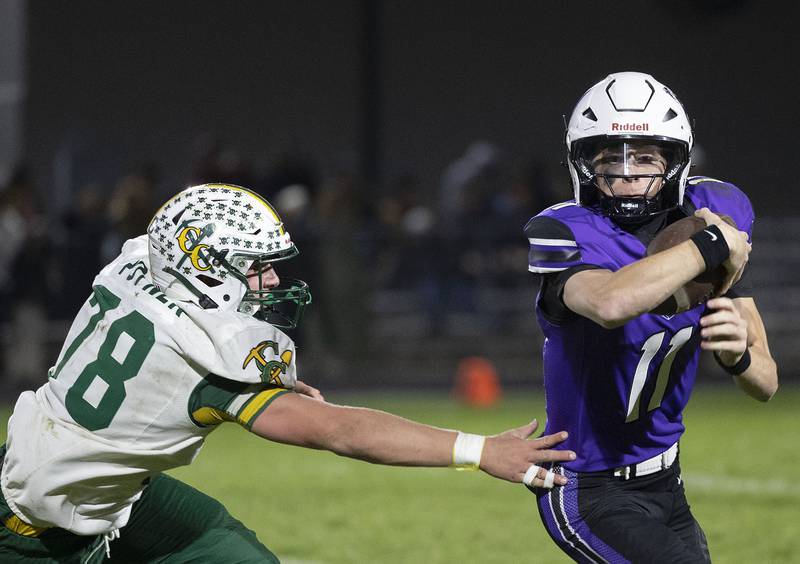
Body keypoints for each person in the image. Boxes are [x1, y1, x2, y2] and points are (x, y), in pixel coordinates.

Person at [0, 183, 576, 563]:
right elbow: (340, 431)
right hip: (38, 530)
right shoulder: (212, 351)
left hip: (83, 483)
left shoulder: (134, 266)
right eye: (256, 267)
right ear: (205, 264)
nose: (271, 281)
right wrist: (479, 450)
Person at [523, 72, 778, 563]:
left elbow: (766, 383)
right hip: (588, 488)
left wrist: (737, 355)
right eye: (608, 159)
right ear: (582, 166)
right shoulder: (566, 229)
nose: (626, 175)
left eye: (643, 157)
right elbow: (611, 304)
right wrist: (711, 244)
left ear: (674, 162)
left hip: (667, 479)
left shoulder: (710, 208)